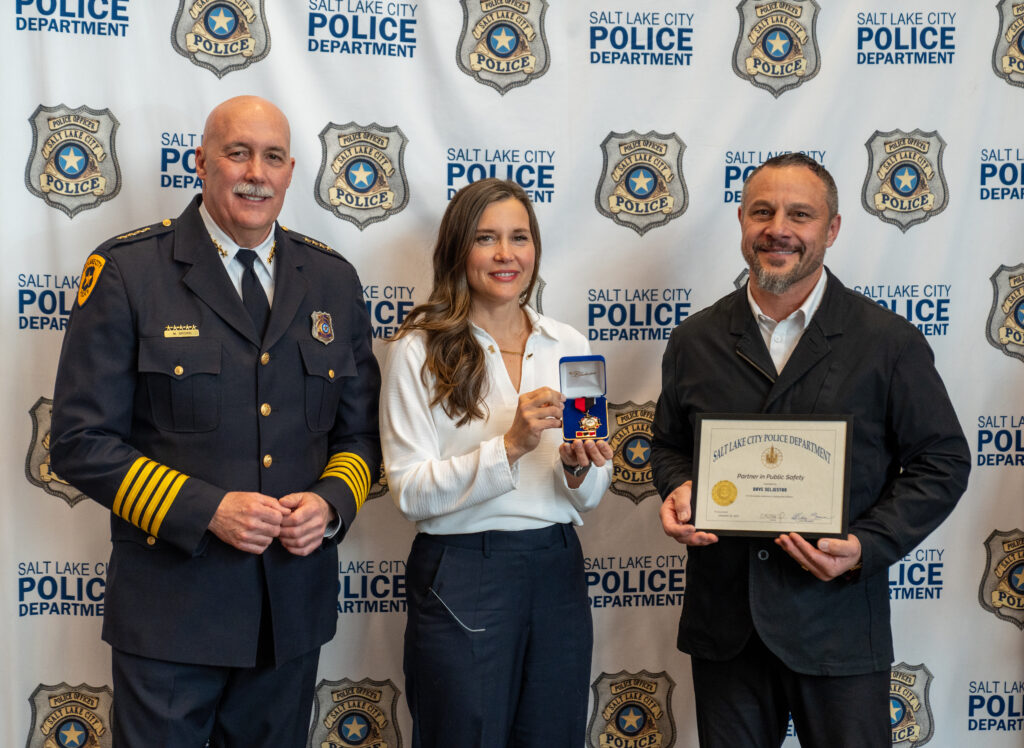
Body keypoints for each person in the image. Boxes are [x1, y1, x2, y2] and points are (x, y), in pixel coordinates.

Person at [50, 96, 381, 747]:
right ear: (201, 163)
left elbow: (360, 435)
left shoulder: (334, 282)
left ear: (291, 173)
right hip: (171, 615)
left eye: (274, 157)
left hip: (288, 614)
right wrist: (207, 509)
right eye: (238, 153)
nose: (256, 172)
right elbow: (79, 442)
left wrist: (331, 501)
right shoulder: (127, 273)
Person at [651, 153, 970, 748]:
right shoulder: (694, 340)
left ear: (832, 229)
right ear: (742, 221)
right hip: (726, 625)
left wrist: (867, 546)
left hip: (839, 621)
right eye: (763, 211)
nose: (779, 228)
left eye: (800, 214)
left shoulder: (888, 342)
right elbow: (667, 444)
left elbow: (942, 460)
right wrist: (675, 485)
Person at [380, 178, 613, 747]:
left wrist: (581, 469)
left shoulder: (569, 344)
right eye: (487, 238)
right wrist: (508, 446)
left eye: (519, 238)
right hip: (463, 570)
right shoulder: (418, 346)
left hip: (556, 565)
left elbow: (591, 492)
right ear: (459, 249)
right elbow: (409, 492)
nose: (506, 254)